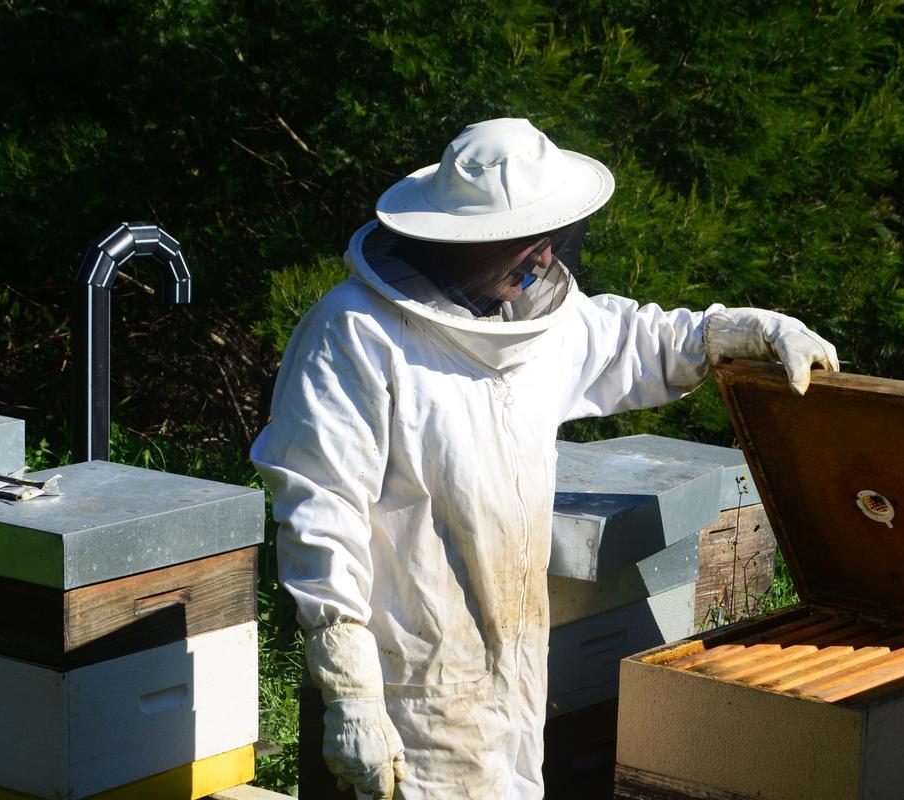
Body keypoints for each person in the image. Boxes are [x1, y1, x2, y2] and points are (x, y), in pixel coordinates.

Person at [250, 118, 838, 799]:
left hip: (514, 669)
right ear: (461, 239)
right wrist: (350, 687)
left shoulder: (533, 321)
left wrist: (747, 330)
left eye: (551, 237)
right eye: (525, 241)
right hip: (406, 681)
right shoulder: (355, 334)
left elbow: (637, 338)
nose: (543, 257)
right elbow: (321, 512)